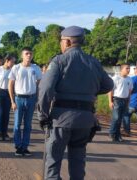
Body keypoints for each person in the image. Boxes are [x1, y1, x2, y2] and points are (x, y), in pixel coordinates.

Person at [37, 26, 114, 179]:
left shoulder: (59, 61)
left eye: (61, 41)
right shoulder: (93, 62)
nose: (60, 44)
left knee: (53, 162)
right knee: (78, 162)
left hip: (61, 120)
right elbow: (109, 85)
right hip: (85, 121)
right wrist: (87, 92)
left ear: (67, 42)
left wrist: (43, 115)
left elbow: (45, 90)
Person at [9, 47, 42, 156]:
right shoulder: (16, 68)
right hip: (19, 99)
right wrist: (12, 101)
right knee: (17, 124)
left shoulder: (36, 68)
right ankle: (18, 146)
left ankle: (25, 146)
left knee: (28, 125)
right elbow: (11, 85)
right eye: (26, 53)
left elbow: (39, 85)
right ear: (22, 55)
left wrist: (38, 100)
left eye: (30, 54)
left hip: (31, 99)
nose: (29, 55)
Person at [0, 55, 14, 140]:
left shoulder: (12, 70)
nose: (13, 63)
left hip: (9, 93)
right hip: (0, 92)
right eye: (12, 61)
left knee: (7, 114)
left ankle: (5, 132)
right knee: (1, 112)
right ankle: (0, 132)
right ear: (7, 61)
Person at [109, 64, 133, 142]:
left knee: (120, 118)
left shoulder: (129, 79)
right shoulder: (116, 78)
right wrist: (110, 101)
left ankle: (118, 135)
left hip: (125, 100)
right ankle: (112, 133)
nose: (128, 70)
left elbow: (129, 91)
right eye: (127, 68)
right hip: (117, 99)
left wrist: (128, 101)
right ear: (122, 69)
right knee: (116, 118)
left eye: (129, 68)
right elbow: (111, 90)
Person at [124, 66, 137, 137]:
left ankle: (126, 131)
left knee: (126, 115)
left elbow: (129, 90)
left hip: (133, 102)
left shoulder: (133, 79)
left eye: (135, 69)